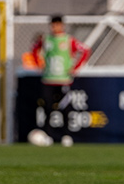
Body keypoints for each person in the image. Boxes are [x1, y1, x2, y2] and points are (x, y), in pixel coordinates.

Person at [29, 16, 91, 147]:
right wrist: (38, 64)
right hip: (48, 79)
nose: (54, 27)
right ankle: (48, 135)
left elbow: (85, 50)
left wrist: (75, 68)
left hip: (63, 80)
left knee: (65, 108)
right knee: (47, 108)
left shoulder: (68, 40)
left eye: (57, 25)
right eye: (53, 25)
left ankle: (66, 136)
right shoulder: (46, 40)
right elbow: (34, 49)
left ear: (62, 25)